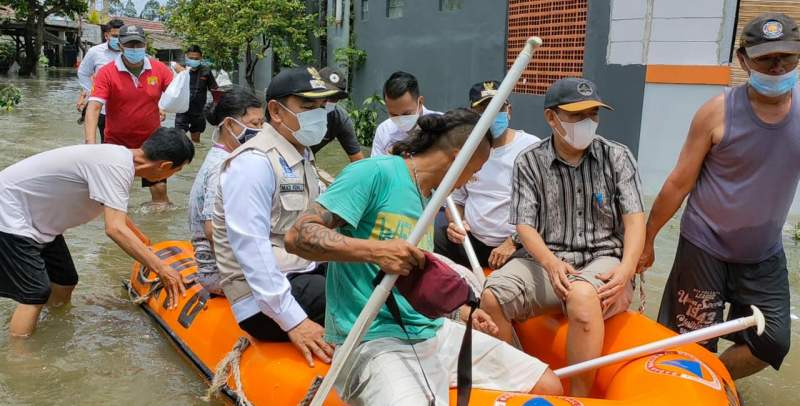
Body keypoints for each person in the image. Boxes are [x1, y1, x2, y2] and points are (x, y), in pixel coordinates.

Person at [285, 109, 563, 405]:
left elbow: (414, 284)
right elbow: (297, 235)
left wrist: (461, 312)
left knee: (548, 385)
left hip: (431, 332)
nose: (474, 178)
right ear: (458, 158)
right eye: (475, 169)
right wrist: (377, 251)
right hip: (373, 339)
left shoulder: (429, 199)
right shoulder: (375, 173)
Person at [639, 13, 800, 380]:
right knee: (693, 341)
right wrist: (647, 240)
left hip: (763, 252)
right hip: (704, 245)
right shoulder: (716, 112)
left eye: (786, 57)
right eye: (765, 58)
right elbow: (678, 183)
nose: (777, 67)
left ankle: (713, 381)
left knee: (772, 342)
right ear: (743, 60)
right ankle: (696, 384)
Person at [480, 78, 645, 396]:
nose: (587, 122)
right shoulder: (529, 161)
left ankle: (578, 398)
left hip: (603, 258)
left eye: (593, 114)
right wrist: (550, 262)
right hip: (546, 260)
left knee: (582, 297)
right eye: (577, 115)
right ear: (551, 118)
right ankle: (526, 382)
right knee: (492, 297)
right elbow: (525, 225)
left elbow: (635, 220)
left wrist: (627, 270)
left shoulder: (617, 157)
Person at [0, 128, 194, 338]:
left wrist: (140, 239)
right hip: (11, 215)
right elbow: (114, 228)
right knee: (35, 293)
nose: (171, 176)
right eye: (176, 171)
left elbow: (112, 209)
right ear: (165, 166)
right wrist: (162, 270)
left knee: (65, 281)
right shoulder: (116, 166)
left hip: (37, 221)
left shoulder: (118, 160)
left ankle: (51, 329)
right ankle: (21, 354)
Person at [211, 67, 343, 367]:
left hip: (300, 271)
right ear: (276, 111)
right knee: (352, 302)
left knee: (366, 280)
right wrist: (295, 322)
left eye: (322, 106)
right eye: (308, 106)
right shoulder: (253, 163)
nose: (319, 115)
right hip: (260, 300)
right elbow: (252, 250)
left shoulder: (301, 155)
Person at [435, 80, 540, 270]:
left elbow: (544, 207)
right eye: (483, 110)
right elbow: (456, 201)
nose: (491, 115)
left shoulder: (532, 148)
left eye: (497, 108)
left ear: (509, 110)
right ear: (472, 116)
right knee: (429, 240)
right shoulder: (467, 151)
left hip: (516, 246)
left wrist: (512, 242)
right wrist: (456, 224)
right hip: (471, 241)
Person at [84, 25, 174, 209]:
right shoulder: (106, 72)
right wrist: (90, 145)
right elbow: (94, 107)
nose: (134, 48)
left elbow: (176, 97)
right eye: (129, 44)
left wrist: (182, 80)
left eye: (138, 44)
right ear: (121, 46)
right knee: (112, 197)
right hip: (117, 142)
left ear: (145, 45)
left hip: (151, 142)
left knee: (160, 195)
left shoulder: (159, 69)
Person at [187, 87, 263, 294]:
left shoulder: (227, 157)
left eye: (262, 124)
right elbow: (212, 230)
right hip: (220, 275)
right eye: (254, 124)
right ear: (229, 124)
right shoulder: (222, 166)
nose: (260, 131)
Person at [370, 71, 441, 157]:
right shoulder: (384, 131)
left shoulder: (442, 125)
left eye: (406, 114)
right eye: (394, 115)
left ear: (420, 102)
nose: (400, 119)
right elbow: (377, 164)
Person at [76, 18, 124, 142]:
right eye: (115, 36)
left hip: (125, 107)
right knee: (107, 142)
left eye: (121, 36)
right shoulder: (95, 52)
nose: (118, 39)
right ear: (106, 35)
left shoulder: (129, 52)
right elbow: (83, 73)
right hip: (103, 108)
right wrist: (92, 92)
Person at [311, 66, 364, 162]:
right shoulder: (298, 109)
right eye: (325, 95)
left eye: (334, 98)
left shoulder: (339, 119)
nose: (327, 102)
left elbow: (358, 161)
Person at [175, 45, 219, 143]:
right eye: (191, 58)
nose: (193, 60)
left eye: (196, 58)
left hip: (198, 111)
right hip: (182, 110)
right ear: (186, 56)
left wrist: (217, 107)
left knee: (196, 141)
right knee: (179, 139)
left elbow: (214, 90)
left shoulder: (206, 71)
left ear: (201, 58)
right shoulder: (180, 69)